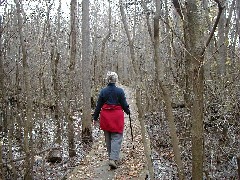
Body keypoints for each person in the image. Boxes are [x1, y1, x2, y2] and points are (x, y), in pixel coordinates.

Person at [93, 71, 130, 169]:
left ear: (107, 80)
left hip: (105, 117)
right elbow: (124, 104)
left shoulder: (103, 91)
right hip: (116, 117)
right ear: (116, 80)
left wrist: (95, 117)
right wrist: (127, 111)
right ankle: (113, 159)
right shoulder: (120, 91)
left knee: (108, 137)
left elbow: (98, 106)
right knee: (117, 137)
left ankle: (111, 157)